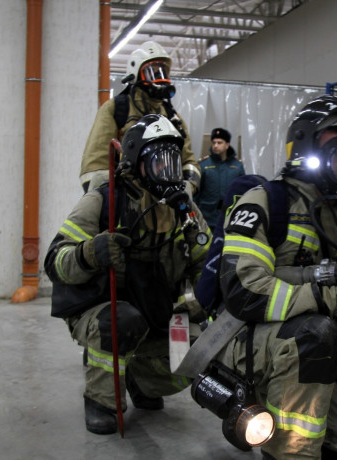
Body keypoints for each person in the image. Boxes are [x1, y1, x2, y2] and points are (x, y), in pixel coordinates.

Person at [207, 95, 337, 459]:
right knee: (314, 334)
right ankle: (286, 452)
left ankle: (274, 411)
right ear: (307, 150)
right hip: (245, 340)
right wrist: (329, 297)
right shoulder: (264, 202)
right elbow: (243, 291)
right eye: (335, 151)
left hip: (310, 350)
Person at [45, 114, 211, 435]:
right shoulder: (102, 200)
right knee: (121, 321)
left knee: (203, 350)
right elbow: (54, 261)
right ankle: (101, 400)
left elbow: (206, 264)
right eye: (160, 163)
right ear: (136, 162)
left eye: (174, 163)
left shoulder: (183, 210)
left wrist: (202, 303)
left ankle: (141, 381)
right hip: (102, 309)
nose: (170, 173)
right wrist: (90, 252)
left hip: (154, 308)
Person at [79, 40, 201, 194]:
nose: (159, 77)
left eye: (162, 71)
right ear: (136, 75)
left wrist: (188, 186)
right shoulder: (117, 109)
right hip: (127, 206)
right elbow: (95, 163)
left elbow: (188, 162)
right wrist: (106, 201)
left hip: (164, 206)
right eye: (152, 71)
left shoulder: (173, 119)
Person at [194, 127, 245, 230]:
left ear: (227, 145)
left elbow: (242, 192)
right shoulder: (204, 165)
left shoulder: (237, 167)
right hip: (207, 219)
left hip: (230, 219)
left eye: (219, 142)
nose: (215, 145)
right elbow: (196, 193)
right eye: (213, 143)